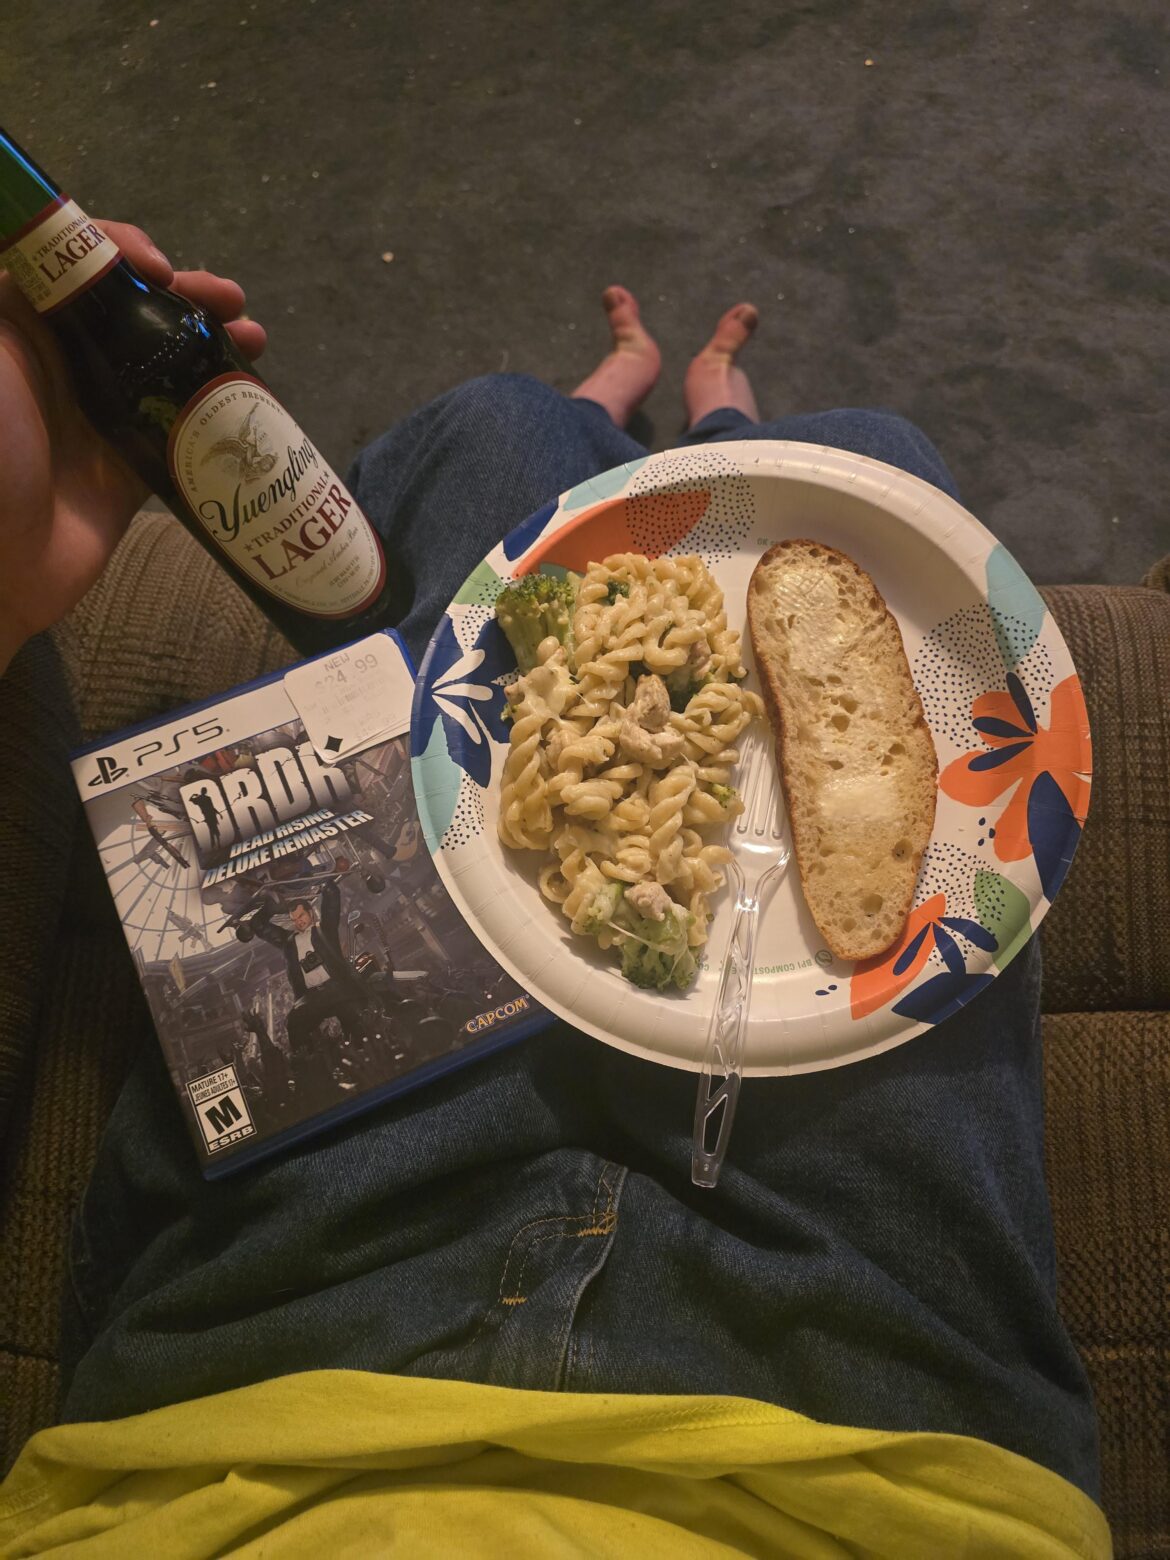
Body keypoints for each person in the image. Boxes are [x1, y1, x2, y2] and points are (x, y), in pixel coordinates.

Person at [0, 225, 1109, 1556]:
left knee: (494, 427)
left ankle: (623, 405)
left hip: (258, 1364)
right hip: (879, 1414)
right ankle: (696, 411)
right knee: (867, 449)